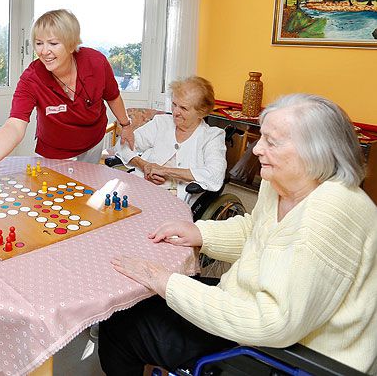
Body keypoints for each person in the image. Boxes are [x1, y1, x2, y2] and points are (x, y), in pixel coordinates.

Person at [98, 94, 377, 375]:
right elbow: (256, 232)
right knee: (139, 301)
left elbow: (272, 322)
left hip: (285, 356)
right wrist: (198, 232)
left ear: (316, 152)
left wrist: (164, 281)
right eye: (261, 138)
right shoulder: (281, 183)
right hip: (246, 306)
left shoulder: (333, 212)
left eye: (272, 142)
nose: (256, 150)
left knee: (121, 327)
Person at [0, 9, 134, 188]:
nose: (44, 51)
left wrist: (126, 125)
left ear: (71, 44)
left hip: (92, 141)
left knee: (86, 190)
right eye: (39, 43)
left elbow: (112, 96)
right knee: (55, 194)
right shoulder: (31, 78)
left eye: (53, 43)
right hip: (55, 149)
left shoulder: (96, 62)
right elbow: (15, 124)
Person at [115, 76, 226, 205]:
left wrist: (165, 171)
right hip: (141, 185)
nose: (175, 112)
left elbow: (215, 175)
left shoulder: (212, 136)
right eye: (174, 105)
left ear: (202, 112)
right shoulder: (161, 123)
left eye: (183, 108)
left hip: (175, 198)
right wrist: (144, 165)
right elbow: (124, 145)